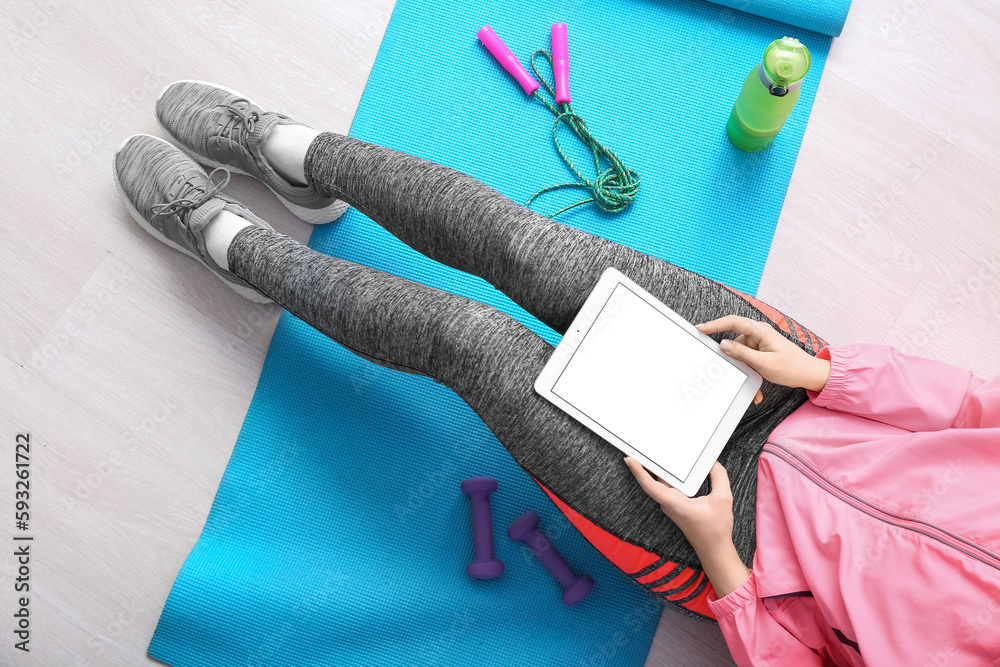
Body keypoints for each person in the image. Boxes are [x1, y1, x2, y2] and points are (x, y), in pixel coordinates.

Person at [114, 81, 999, 666]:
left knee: (469, 340)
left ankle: (234, 248)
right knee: (526, 248)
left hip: (717, 537)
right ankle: (291, 152)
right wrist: (826, 372)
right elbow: (971, 405)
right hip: (798, 388)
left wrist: (723, 556)